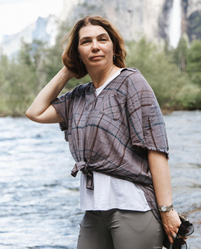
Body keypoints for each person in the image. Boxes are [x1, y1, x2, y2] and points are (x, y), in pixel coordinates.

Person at [26, 15, 182, 249]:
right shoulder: (78, 96)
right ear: (78, 52)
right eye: (86, 42)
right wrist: (67, 72)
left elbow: (156, 149)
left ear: (114, 47)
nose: (95, 46)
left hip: (133, 206)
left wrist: (167, 210)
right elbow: (35, 112)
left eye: (102, 39)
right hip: (94, 210)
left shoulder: (132, 82)